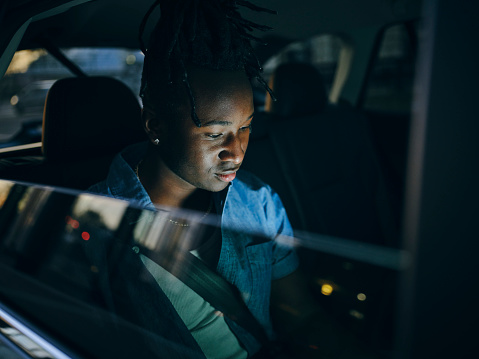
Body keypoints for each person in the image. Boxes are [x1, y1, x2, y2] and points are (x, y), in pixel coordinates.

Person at [88, 1, 341, 358]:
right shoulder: (89, 223)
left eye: (246, 127)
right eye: (213, 134)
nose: (236, 152)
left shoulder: (258, 201)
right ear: (155, 125)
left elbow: (301, 319)